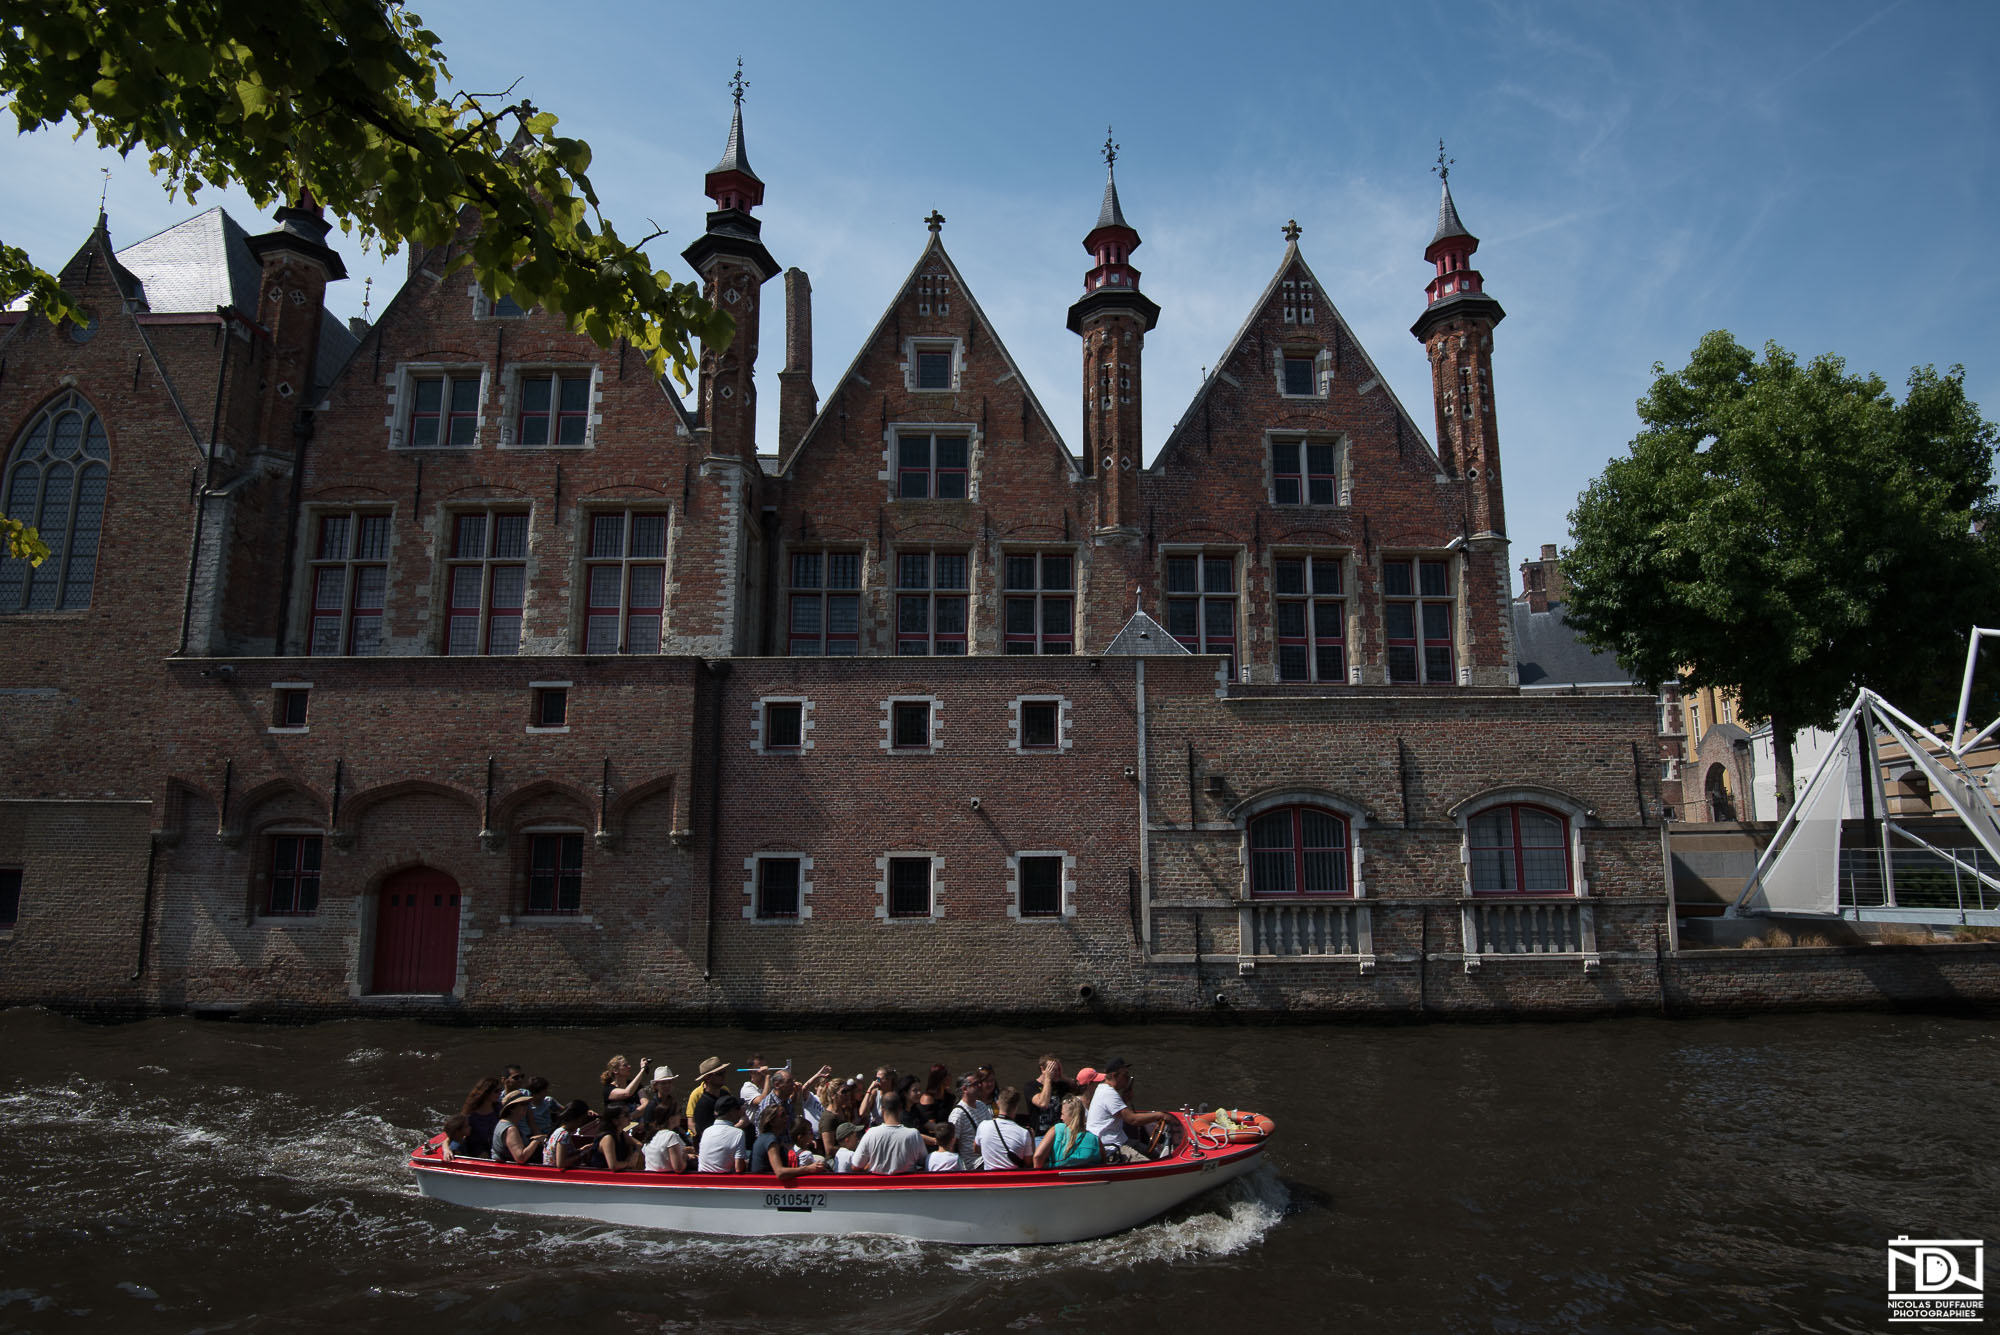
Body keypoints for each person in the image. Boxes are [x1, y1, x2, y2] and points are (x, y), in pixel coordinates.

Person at [1085, 1058, 1168, 1162]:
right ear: (1114, 1075)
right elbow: (1132, 1120)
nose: (1127, 1078)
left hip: (1118, 1141)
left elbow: (1115, 1113)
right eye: (1125, 1075)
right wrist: (1160, 1115)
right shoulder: (1109, 1093)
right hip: (1113, 1147)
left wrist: (1124, 1099)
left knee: (1153, 1153)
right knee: (1149, 1163)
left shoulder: (1102, 1089)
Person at [752, 1102, 829, 1183]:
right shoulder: (771, 1140)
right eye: (782, 1115)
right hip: (766, 1186)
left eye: (786, 1114)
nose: (786, 1117)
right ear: (771, 1121)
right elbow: (780, 1172)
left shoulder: (765, 1137)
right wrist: (808, 1169)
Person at [852, 1093, 926, 1175]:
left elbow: (856, 1166)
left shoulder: (871, 1133)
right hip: (906, 1185)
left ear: (882, 1110)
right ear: (900, 1109)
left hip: (878, 1185)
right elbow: (924, 1162)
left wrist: (868, 1167)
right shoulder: (914, 1134)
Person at [1033, 1093, 1103, 1169]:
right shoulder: (1095, 1139)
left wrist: (1041, 1175)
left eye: (1062, 1114)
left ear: (1071, 1116)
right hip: (1088, 1178)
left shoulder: (1057, 1129)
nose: (1061, 1117)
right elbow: (1103, 1165)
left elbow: (1038, 1156)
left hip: (1059, 1178)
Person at [975, 1087, 1034, 1170]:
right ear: (1016, 1107)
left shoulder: (983, 1126)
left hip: (989, 1179)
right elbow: (1029, 1163)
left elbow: (976, 1149)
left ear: (997, 1103)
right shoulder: (1024, 1133)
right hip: (1013, 1180)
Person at [947, 1072, 993, 1170]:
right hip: (974, 1164)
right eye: (975, 1084)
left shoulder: (981, 1105)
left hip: (988, 1158)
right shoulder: (957, 1114)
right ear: (964, 1089)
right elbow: (951, 1144)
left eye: (979, 1083)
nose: (979, 1085)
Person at [490, 1089, 547, 1165]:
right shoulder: (510, 1129)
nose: (526, 1107)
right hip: (509, 1170)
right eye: (522, 1104)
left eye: (527, 1104)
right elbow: (521, 1158)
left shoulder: (502, 1122)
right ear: (511, 1108)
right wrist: (536, 1141)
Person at [697, 1095, 750, 1173]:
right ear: (732, 1112)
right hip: (724, 1181)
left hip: (702, 1178)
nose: (740, 1112)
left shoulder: (706, 1131)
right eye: (738, 1109)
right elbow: (739, 1168)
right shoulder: (738, 1133)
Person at [544, 1099, 596, 1169]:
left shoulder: (558, 1131)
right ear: (579, 1119)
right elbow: (561, 1164)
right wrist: (582, 1154)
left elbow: (564, 1154)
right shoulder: (563, 1135)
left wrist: (581, 1150)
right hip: (555, 1174)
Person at [1027, 1054, 1071, 1137]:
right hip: (1040, 1135)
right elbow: (1043, 1103)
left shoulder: (1062, 1085)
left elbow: (1080, 1089)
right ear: (1043, 1069)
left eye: (1058, 1069)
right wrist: (1048, 1079)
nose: (1057, 1072)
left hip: (1060, 1134)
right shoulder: (1031, 1086)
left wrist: (1063, 1077)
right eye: (1053, 1070)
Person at [637, 1104, 689, 1172]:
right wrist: (685, 1156)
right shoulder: (671, 1136)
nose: (681, 1116)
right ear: (671, 1118)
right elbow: (678, 1168)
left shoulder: (652, 1135)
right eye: (679, 1112)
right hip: (666, 1180)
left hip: (650, 1178)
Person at [594, 1104, 645, 1172]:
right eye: (626, 1115)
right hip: (602, 1176)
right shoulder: (608, 1138)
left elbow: (639, 1144)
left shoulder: (621, 1133)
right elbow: (613, 1166)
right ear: (615, 1121)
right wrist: (629, 1164)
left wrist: (635, 1154)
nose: (630, 1118)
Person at [460, 1077, 502, 1159]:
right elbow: (454, 1134)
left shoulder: (499, 1108)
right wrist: (446, 1148)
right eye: (496, 1091)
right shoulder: (470, 1115)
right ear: (486, 1093)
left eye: (500, 1090)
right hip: (479, 1152)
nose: (500, 1093)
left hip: (497, 1148)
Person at [690, 1056, 731, 1137]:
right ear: (707, 1078)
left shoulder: (725, 1094)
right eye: (719, 1073)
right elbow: (706, 1135)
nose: (723, 1076)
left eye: (724, 1072)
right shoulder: (702, 1105)